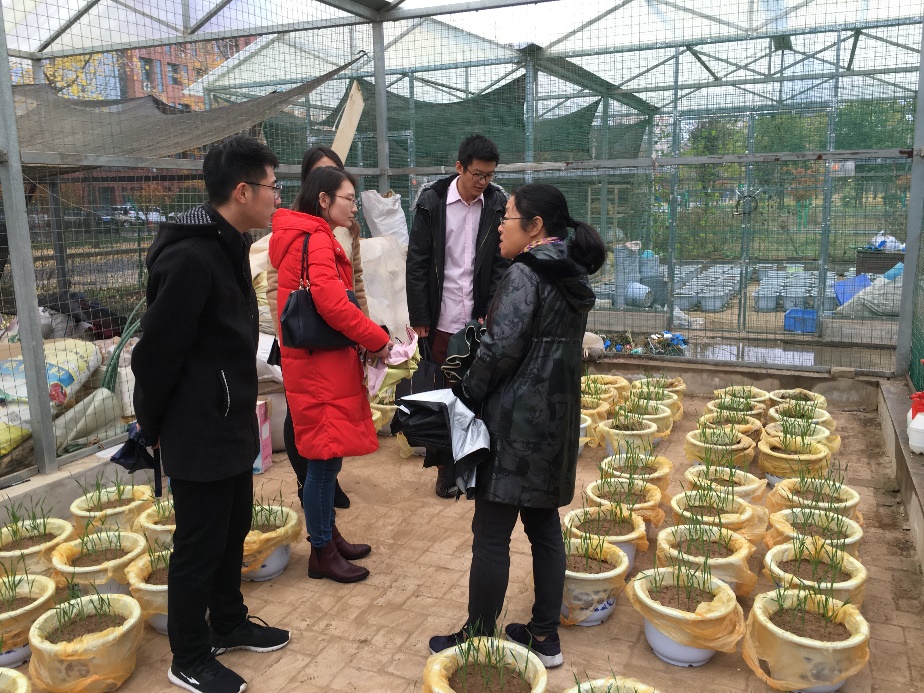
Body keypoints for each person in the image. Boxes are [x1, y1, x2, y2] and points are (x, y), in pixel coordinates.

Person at [131, 135, 290, 693]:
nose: (277, 196)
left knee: (232, 528)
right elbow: (155, 354)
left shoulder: (229, 245)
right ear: (243, 191)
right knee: (198, 545)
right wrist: (150, 424)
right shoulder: (190, 258)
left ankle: (227, 621)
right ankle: (189, 655)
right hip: (196, 428)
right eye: (272, 186)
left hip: (229, 419)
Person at [427, 183, 606, 668]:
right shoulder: (570, 273)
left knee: (491, 532)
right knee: (544, 526)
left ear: (535, 227)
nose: (499, 226)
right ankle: (545, 636)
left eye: (506, 217)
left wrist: (466, 394)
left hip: (514, 423)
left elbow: (499, 349)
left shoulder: (526, 274)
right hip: (555, 421)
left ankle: (479, 636)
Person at [269, 166, 393, 583]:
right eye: (348, 198)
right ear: (323, 200)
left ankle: (328, 537)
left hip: (316, 361)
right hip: (319, 367)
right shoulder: (316, 239)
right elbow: (334, 305)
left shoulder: (306, 236)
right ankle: (321, 550)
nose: (354, 207)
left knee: (327, 458)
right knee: (323, 463)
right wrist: (377, 340)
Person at [405, 134, 509, 497]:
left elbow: (500, 265)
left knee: (477, 391)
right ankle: (444, 469)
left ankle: (474, 463)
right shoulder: (432, 202)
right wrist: (420, 315)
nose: (483, 182)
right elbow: (417, 262)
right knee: (442, 392)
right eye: (477, 174)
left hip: (477, 318)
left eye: (490, 175)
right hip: (441, 316)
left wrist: (490, 312)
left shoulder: (497, 204)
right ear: (459, 167)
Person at [266, 146, 365, 511]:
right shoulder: (297, 230)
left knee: (331, 423)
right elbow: (278, 288)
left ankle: (323, 490)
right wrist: (290, 333)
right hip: (305, 339)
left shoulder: (347, 228)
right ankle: (310, 488)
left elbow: (355, 283)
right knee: (304, 419)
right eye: (322, 172)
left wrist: (362, 330)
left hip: (338, 337)